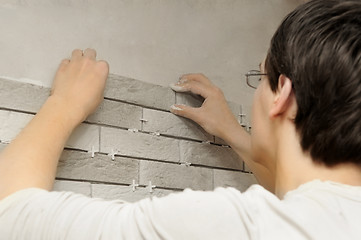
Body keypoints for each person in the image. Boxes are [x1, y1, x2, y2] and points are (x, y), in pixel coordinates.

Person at [0, 0, 360, 239]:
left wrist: (64, 103)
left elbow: (11, 211)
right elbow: (299, 186)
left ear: (283, 94)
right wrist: (233, 133)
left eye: (259, 77)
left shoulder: (226, 225)